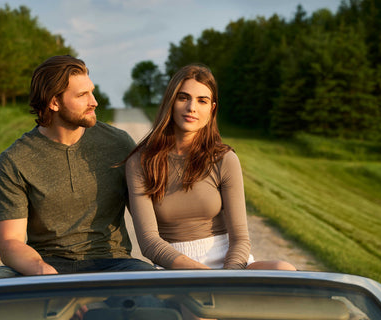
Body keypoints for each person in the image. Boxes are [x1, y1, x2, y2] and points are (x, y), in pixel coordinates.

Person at [0, 55, 154, 280]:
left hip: (113, 263)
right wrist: (43, 272)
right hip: (45, 264)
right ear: (54, 103)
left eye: (92, 91)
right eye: (82, 95)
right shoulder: (15, 159)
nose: (94, 101)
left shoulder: (119, 143)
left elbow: (151, 214)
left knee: (156, 297)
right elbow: (10, 242)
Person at [125, 64, 296, 271]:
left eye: (202, 101)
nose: (192, 108)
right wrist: (203, 276)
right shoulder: (141, 162)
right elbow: (149, 243)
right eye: (183, 98)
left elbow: (240, 238)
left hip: (228, 264)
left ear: (211, 109)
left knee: (283, 269)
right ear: (171, 102)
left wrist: (228, 277)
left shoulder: (224, 159)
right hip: (173, 268)